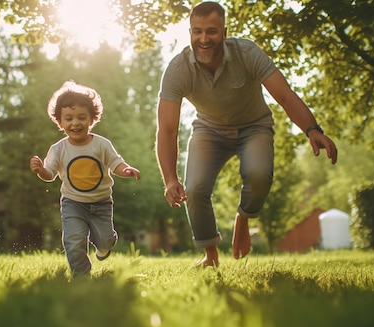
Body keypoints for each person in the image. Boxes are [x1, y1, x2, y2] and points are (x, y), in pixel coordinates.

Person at [156, 2, 338, 267]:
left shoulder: (247, 53)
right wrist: (170, 178)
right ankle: (210, 256)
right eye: (197, 32)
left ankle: (243, 217)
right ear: (190, 33)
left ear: (225, 32)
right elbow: (168, 128)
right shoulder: (178, 69)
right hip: (209, 129)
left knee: (258, 173)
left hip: (254, 126)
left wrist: (312, 129)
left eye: (212, 31)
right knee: (194, 189)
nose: (204, 39)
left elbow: (285, 96)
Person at [30, 80, 141, 276]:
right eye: (69, 118)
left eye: (82, 117)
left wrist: (126, 170)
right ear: (60, 122)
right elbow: (50, 174)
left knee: (105, 240)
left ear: (91, 119)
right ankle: (81, 276)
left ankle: (103, 248)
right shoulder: (58, 149)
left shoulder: (101, 144)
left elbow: (116, 163)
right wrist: (40, 171)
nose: (75, 123)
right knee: (73, 239)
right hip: (73, 203)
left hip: (102, 203)